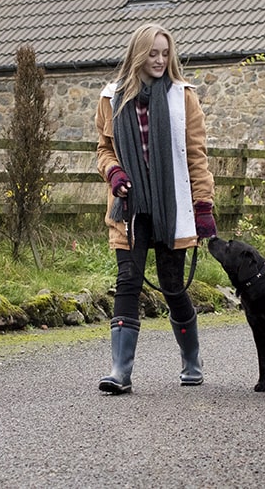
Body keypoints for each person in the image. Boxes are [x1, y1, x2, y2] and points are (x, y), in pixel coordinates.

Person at [95, 23, 217, 394]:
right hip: (130, 207)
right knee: (127, 281)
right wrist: (114, 172)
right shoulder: (111, 98)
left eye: (165, 53)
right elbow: (104, 150)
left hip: (172, 205)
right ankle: (120, 371)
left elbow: (196, 156)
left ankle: (191, 359)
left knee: (172, 286)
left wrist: (203, 206)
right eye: (153, 53)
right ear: (138, 54)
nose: (160, 60)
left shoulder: (183, 98)